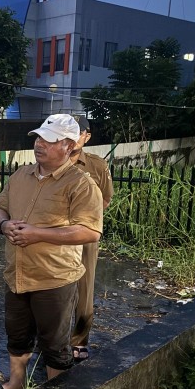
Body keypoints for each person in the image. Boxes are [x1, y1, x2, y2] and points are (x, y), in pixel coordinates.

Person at [0, 114, 103, 389]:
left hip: (54, 278)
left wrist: (37, 234)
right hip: (17, 274)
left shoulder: (80, 184)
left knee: (54, 343)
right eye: (39, 138)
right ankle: (16, 384)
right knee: (17, 335)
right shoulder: (20, 176)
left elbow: (90, 231)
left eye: (49, 140)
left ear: (69, 145)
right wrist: (4, 224)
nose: (39, 144)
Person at [69, 116, 113, 362]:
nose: (73, 137)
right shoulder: (53, 160)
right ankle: (52, 338)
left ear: (87, 136)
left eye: (78, 132)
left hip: (84, 235)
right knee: (53, 286)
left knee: (84, 287)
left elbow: (105, 199)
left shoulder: (96, 165)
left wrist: (84, 220)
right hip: (53, 234)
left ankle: (79, 339)